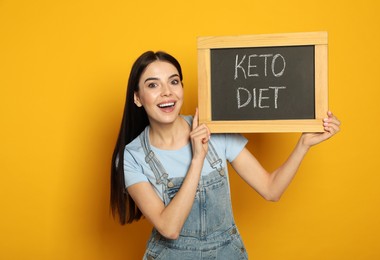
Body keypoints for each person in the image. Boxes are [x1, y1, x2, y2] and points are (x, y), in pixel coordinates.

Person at [110, 51, 341, 259]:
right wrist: (198, 158)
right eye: (153, 85)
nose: (167, 92)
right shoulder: (131, 156)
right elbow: (169, 227)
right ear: (138, 98)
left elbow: (271, 190)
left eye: (174, 81)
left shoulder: (216, 130)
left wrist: (303, 144)